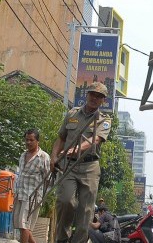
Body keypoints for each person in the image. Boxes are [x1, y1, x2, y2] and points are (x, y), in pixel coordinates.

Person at [51, 82, 112, 243]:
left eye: (99, 96)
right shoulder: (72, 114)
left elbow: (95, 140)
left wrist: (74, 149)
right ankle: (62, 239)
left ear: (103, 101)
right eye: (92, 94)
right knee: (66, 201)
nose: (94, 98)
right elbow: (61, 138)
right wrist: (53, 157)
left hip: (90, 167)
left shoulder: (104, 120)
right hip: (69, 165)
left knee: (86, 211)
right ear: (87, 94)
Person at [14, 128, 51, 243]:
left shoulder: (44, 157)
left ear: (37, 141)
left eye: (31, 140)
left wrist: (43, 197)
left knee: (25, 225)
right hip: (20, 194)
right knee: (21, 225)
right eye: (26, 140)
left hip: (32, 197)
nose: (28, 142)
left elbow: (48, 179)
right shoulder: (22, 155)